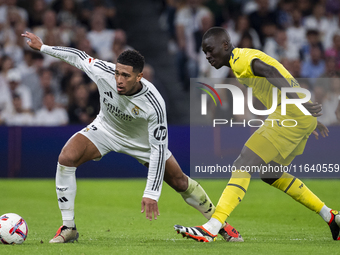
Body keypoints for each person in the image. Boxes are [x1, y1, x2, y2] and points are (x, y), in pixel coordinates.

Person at [21, 31, 243, 243]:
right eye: (117, 73)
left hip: (143, 143)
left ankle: (220, 224)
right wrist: (44, 47)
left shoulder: (154, 104)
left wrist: (151, 194)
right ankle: (68, 227)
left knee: (179, 181)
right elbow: (79, 57)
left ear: (139, 76)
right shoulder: (104, 72)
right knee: (66, 157)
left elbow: (157, 150)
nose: (118, 79)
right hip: (106, 129)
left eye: (125, 75)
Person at [174, 27, 340, 242]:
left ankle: (213, 227)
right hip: (297, 115)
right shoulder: (240, 60)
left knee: (244, 162)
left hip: (291, 111)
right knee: (269, 173)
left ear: (225, 45)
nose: (207, 56)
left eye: (210, 50)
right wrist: (307, 116)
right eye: (204, 52)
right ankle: (331, 216)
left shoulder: (241, 59)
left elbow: (271, 72)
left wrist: (301, 104)